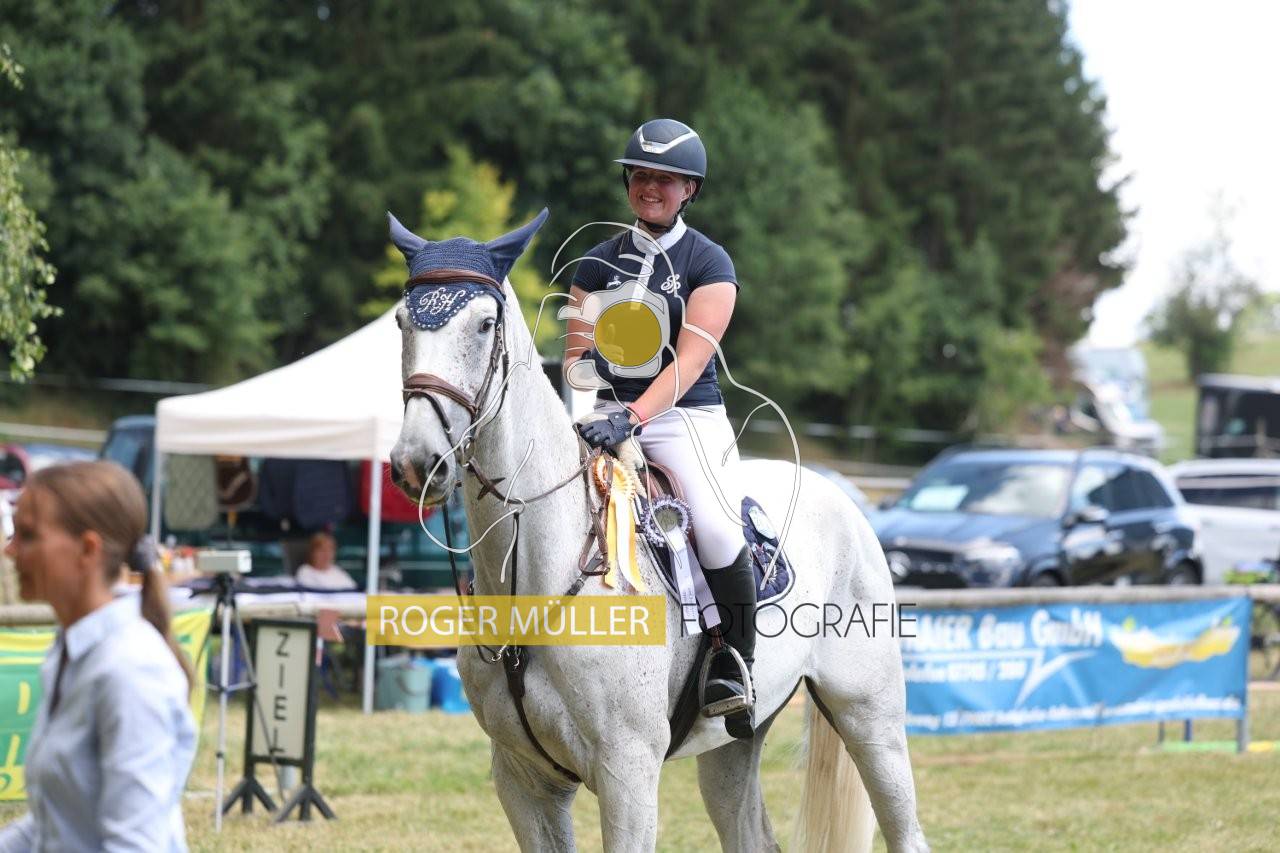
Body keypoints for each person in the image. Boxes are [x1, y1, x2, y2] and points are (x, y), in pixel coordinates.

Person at [565, 117, 757, 738]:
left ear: (689, 189)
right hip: (603, 418)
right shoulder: (594, 265)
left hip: (682, 418)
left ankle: (734, 665)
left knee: (718, 529)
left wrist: (633, 416)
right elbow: (575, 361)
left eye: (666, 179)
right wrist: (596, 393)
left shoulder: (709, 261)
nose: (651, 187)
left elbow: (692, 361)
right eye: (641, 176)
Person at [0, 461, 197, 852]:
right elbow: (54, 825)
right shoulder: (71, 652)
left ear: (87, 549)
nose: (9, 549)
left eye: (28, 535)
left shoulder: (130, 671)